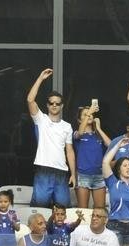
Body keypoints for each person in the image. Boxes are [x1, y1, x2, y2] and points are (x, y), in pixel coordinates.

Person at [25, 68, 75, 208]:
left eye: (57, 103)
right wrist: (40, 79)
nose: (54, 105)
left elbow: (70, 151)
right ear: (47, 105)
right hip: (43, 169)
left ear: (62, 106)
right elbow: (30, 100)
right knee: (40, 208)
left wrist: (73, 173)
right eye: (51, 103)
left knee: (63, 209)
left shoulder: (67, 126)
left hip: (62, 172)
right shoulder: (41, 119)